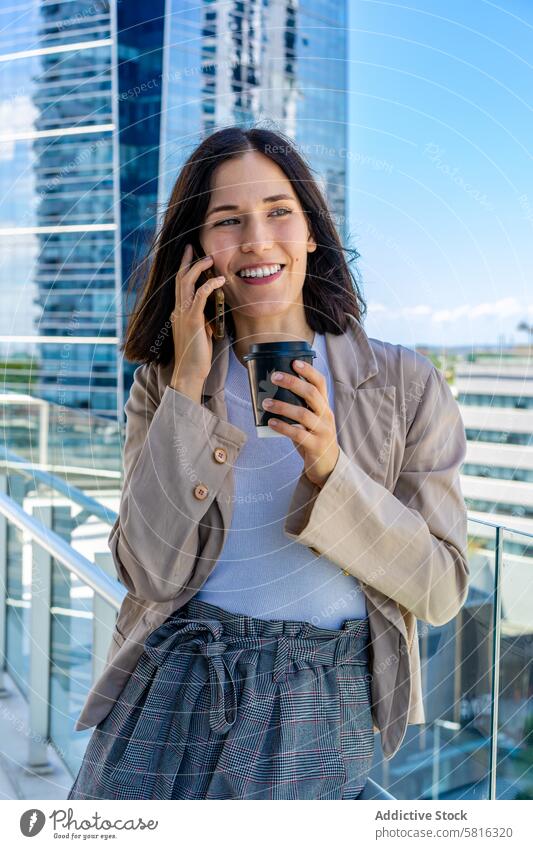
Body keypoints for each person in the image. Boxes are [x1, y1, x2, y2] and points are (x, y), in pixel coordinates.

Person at [67, 125, 469, 800]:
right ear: (196, 247)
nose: (256, 239)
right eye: (228, 220)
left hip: (318, 701)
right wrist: (188, 387)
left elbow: (440, 590)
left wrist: (330, 470)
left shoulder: (405, 385)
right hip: (167, 685)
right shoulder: (163, 383)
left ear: (311, 231)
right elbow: (146, 568)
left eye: (278, 211)